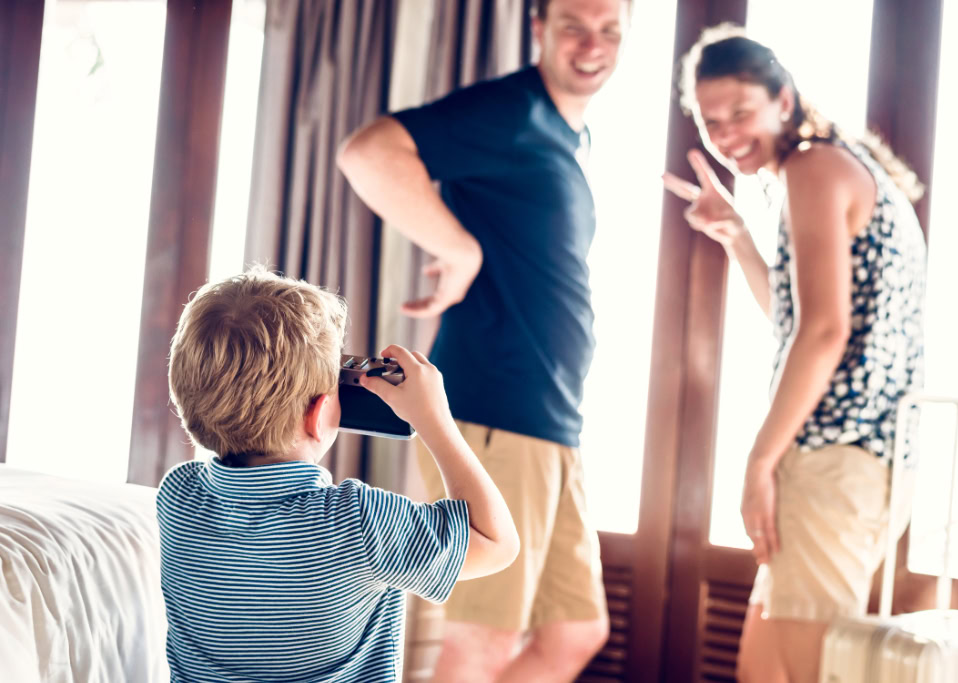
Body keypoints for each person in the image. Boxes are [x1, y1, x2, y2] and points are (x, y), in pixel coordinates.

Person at [336, 0, 630, 679]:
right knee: (481, 642)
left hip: (551, 419)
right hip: (496, 407)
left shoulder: (568, 136)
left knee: (575, 631)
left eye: (610, 30)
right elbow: (368, 152)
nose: (593, 44)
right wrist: (458, 248)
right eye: (574, 26)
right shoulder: (513, 112)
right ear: (539, 29)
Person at [664, 24, 927, 683]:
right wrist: (736, 236)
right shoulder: (834, 167)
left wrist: (759, 460)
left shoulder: (815, 168)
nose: (726, 135)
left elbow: (824, 333)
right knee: (763, 669)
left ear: (784, 99)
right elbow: (801, 321)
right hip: (857, 464)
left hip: (834, 460)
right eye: (711, 122)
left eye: (741, 112)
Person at [155, 267, 519, 683]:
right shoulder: (360, 522)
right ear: (320, 413)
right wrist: (436, 421)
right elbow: (497, 544)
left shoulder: (177, 498)